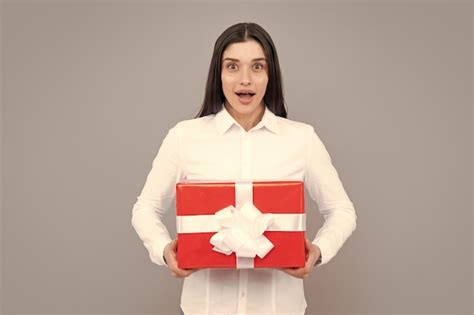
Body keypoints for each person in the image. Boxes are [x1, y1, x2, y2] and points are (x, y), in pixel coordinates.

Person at [131, 22, 357, 315]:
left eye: (258, 67)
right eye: (233, 66)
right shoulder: (184, 137)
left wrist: (319, 252)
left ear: (270, 75)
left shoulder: (302, 139)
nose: (245, 80)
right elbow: (145, 208)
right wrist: (164, 250)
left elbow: (342, 210)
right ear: (219, 74)